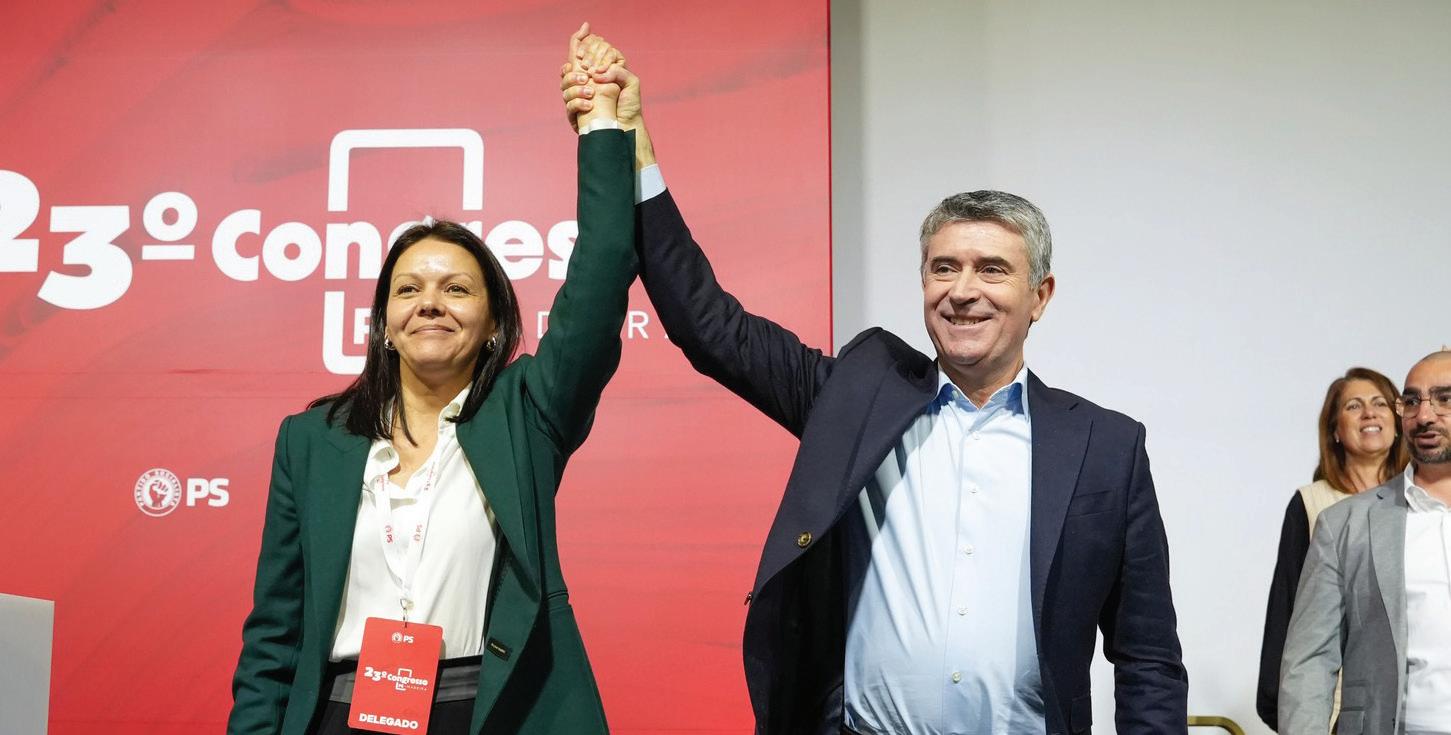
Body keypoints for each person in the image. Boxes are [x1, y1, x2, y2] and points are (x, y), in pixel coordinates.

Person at [561, 37, 1187, 735]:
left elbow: (1148, 658)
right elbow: (709, 325)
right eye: (943, 268)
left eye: (991, 270)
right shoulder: (857, 398)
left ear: (1039, 295)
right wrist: (633, 145)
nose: (963, 291)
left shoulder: (1105, 446)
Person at [227, 24, 635, 735]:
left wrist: (600, 126)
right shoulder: (312, 440)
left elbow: (600, 277)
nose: (430, 303)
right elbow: (275, 631)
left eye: (457, 289)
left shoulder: (526, 413)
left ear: (493, 323)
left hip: (486, 711)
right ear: (384, 323)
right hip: (339, 711)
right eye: (409, 289)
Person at [1281, 350, 1451, 735]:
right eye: (1412, 401)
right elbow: (1309, 660)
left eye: (1444, 399)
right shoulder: (1344, 523)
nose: (1424, 415)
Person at [1256, 368, 1410, 730]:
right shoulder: (1313, 506)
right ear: (1335, 431)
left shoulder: (1424, 504)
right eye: (1354, 406)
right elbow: (1288, 615)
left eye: (1380, 403)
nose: (1369, 413)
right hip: (1339, 713)